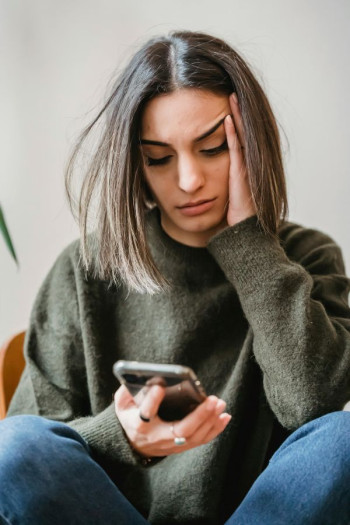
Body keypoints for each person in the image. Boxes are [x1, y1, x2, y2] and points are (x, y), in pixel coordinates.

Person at [1, 29, 350, 525]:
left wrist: (249, 243)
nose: (188, 180)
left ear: (252, 145)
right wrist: (121, 436)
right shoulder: (86, 269)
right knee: (14, 447)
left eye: (212, 148)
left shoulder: (306, 256)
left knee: (344, 438)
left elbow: (310, 407)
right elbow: (25, 461)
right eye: (159, 159)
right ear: (135, 166)